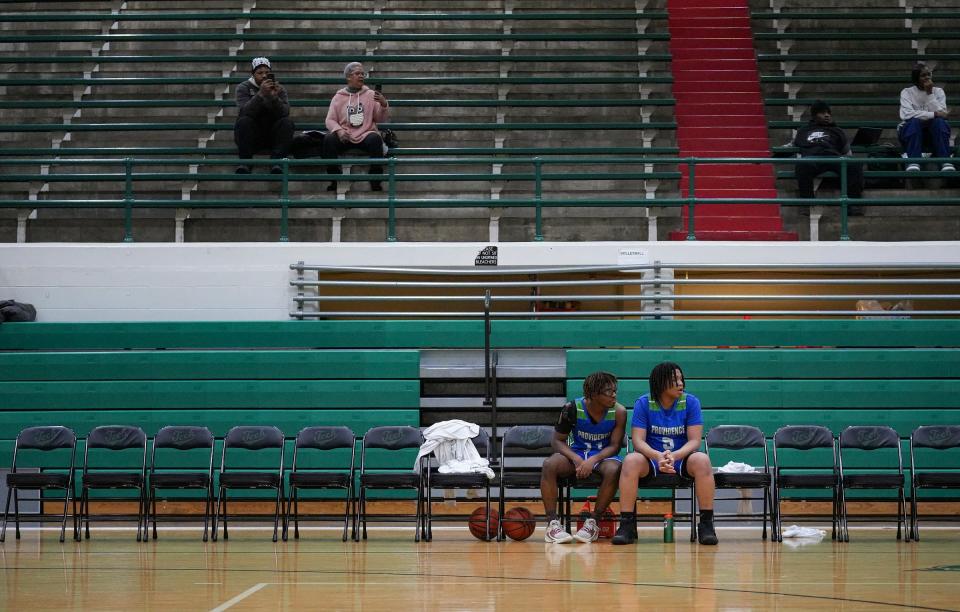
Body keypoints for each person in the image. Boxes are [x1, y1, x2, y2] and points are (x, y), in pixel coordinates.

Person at [611, 362, 718, 546]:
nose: (680, 383)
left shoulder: (691, 402)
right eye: (675, 379)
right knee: (630, 461)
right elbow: (637, 441)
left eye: (681, 379)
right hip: (652, 459)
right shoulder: (644, 403)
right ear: (661, 382)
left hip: (681, 457)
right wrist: (657, 456)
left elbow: (694, 441)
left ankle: (707, 525)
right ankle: (626, 525)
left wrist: (674, 456)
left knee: (702, 460)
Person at [540, 371, 626, 544]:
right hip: (577, 452)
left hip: (602, 455)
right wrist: (577, 460)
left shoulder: (619, 411)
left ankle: (593, 522)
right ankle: (552, 524)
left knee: (615, 469)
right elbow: (557, 442)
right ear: (594, 394)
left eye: (615, 390)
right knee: (549, 464)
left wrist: (592, 460)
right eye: (609, 391)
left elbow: (615, 446)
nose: (614, 394)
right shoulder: (572, 409)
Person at [323, 62, 390, 191]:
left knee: (375, 139)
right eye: (357, 74)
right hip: (345, 135)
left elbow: (380, 119)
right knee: (329, 140)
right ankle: (334, 179)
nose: (361, 76)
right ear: (348, 77)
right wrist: (339, 131)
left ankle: (375, 179)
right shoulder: (338, 97)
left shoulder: (370, 94)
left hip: (365, 134)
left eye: (362, 74)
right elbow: (330, 120)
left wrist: (383, 104)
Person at [792, 100, 864, 214]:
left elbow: (847, 152)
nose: (827, 115)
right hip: (813, 158)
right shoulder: (803, 131)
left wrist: (849, 160)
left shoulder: (837, 130)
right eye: (822, 113)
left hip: (833, 157)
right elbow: (793, 144)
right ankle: (807, 204)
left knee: (854, 164)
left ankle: (853, 204)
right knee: (802, 165)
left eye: (828, 113)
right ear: (814, 115)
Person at [234, 57, 295, 174]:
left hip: (272, 134)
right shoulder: (243, 88)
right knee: (244, 122)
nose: (263, 76)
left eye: (267, 72)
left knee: (287, 123)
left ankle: (277, 162)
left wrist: (274, 98)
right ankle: (246, 162)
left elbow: (285, 112)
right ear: (253, 74)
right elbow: (244, 111)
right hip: (252, 134)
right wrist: (260, 94)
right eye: (260, 73)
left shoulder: (279, 89)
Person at [899, 63, 955, 172]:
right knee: (914, 122)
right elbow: (906, 114)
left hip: (934, 132)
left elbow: (942, 114)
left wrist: (929, 94)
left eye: (929, 74)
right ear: (916, 78)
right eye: (923, 75)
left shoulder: (938, 92)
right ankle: (914, 162)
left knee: (939, 122)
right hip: (911, 132)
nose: (927, 77)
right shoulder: (907, 92)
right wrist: (933, 114)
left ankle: (945, 161)